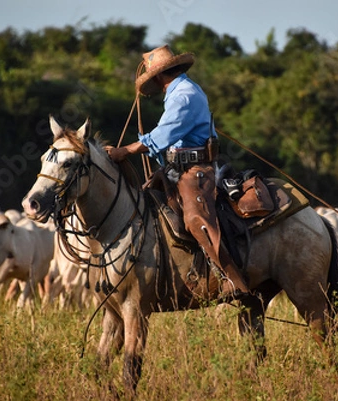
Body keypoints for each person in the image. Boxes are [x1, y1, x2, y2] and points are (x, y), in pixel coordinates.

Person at [104, 45, 249, 299]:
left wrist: (125, 151)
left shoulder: (184, 94)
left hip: (196, 171)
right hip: (175, 168)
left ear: (159, 76)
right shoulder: (178, 92)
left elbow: (164, 134)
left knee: (195, 220)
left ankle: (231, 280)